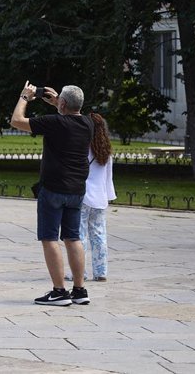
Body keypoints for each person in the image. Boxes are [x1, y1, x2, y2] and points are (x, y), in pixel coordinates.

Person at [10, 81, 94, 306]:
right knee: (73, 237)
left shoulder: (55, 122)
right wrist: (59, 101)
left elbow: (17, 121)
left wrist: (25, 97)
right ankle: (79, 290)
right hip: (76, 190)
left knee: (49, 238)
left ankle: (59, 291)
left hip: (53, 189)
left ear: (63, 103)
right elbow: (71, 113)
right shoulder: (87, 124)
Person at [78, 112, 116, 281]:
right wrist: (108, 196)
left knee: (78, 236)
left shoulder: (82, 148)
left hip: (82, 196)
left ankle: (79, 272)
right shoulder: (106, 151)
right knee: (99, 236)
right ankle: (101, 272)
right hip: (100, 198)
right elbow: (109, 178)